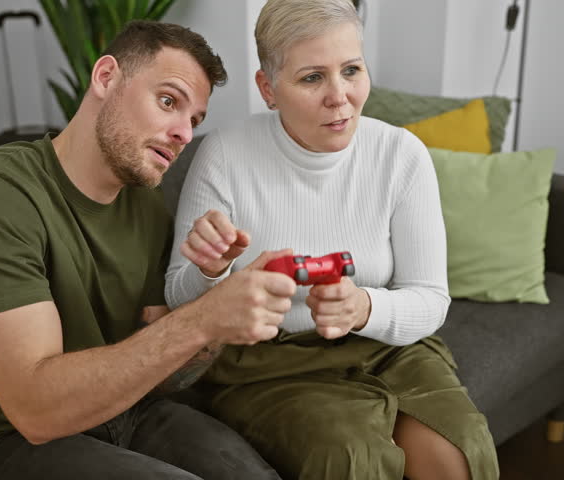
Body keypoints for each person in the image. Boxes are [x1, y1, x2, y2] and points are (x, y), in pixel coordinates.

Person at [0, 20, 293, 480]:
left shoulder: (146, 207)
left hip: (126, 411)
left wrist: (213, 300)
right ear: (106, 77)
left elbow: (167, 374)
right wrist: (205, 317)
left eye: (193, 120)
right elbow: (37, 412)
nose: (183, 134)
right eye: (168, 101)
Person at [165, 1, 501, 479]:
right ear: (268, 89)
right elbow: (178, 301)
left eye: (351, 70)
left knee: (461, 452)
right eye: (311, 78)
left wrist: (364, 307)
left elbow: (430, 299)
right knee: (349, 457)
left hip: (387, 347)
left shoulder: (401, 155)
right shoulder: (224, 156)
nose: (340, 96)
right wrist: (210, 269)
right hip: (269, 365)